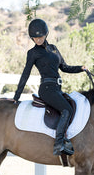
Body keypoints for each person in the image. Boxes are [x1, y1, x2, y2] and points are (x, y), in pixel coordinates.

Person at [13, 18, 87, 156]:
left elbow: (64, 67)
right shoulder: (33, 53)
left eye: (40, 37)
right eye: (34, 38)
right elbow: (25, 75)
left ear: (46, 34)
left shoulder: (53, 49)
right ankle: (59, 143)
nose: (38, 40)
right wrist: (16, 96)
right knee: (67, 109)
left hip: (57, 88)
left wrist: (80, 68)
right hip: (46, 88)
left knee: (70, 106)